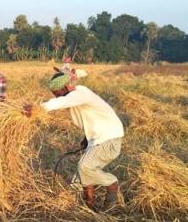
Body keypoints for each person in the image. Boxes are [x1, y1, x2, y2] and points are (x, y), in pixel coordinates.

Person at [24, 71, 124, 211]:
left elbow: (61, 102)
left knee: (85, 167)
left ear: (65, 87)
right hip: (98, 139)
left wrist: (37, 108)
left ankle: (112, 184)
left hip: (109, 139)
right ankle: (90, 210)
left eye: (57, 93)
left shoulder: (80, 93)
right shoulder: (75, 98)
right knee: (79, 181)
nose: (56, 96)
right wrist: (86, 139)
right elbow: (92, 118)